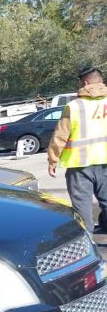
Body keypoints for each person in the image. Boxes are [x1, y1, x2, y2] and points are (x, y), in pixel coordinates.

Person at [48, 66, 107, 233]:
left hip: (80, 167)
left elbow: (60, 136)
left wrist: (52, 160)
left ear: (86, 83)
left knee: (82, 208)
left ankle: (88, 246)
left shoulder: (74, 106)